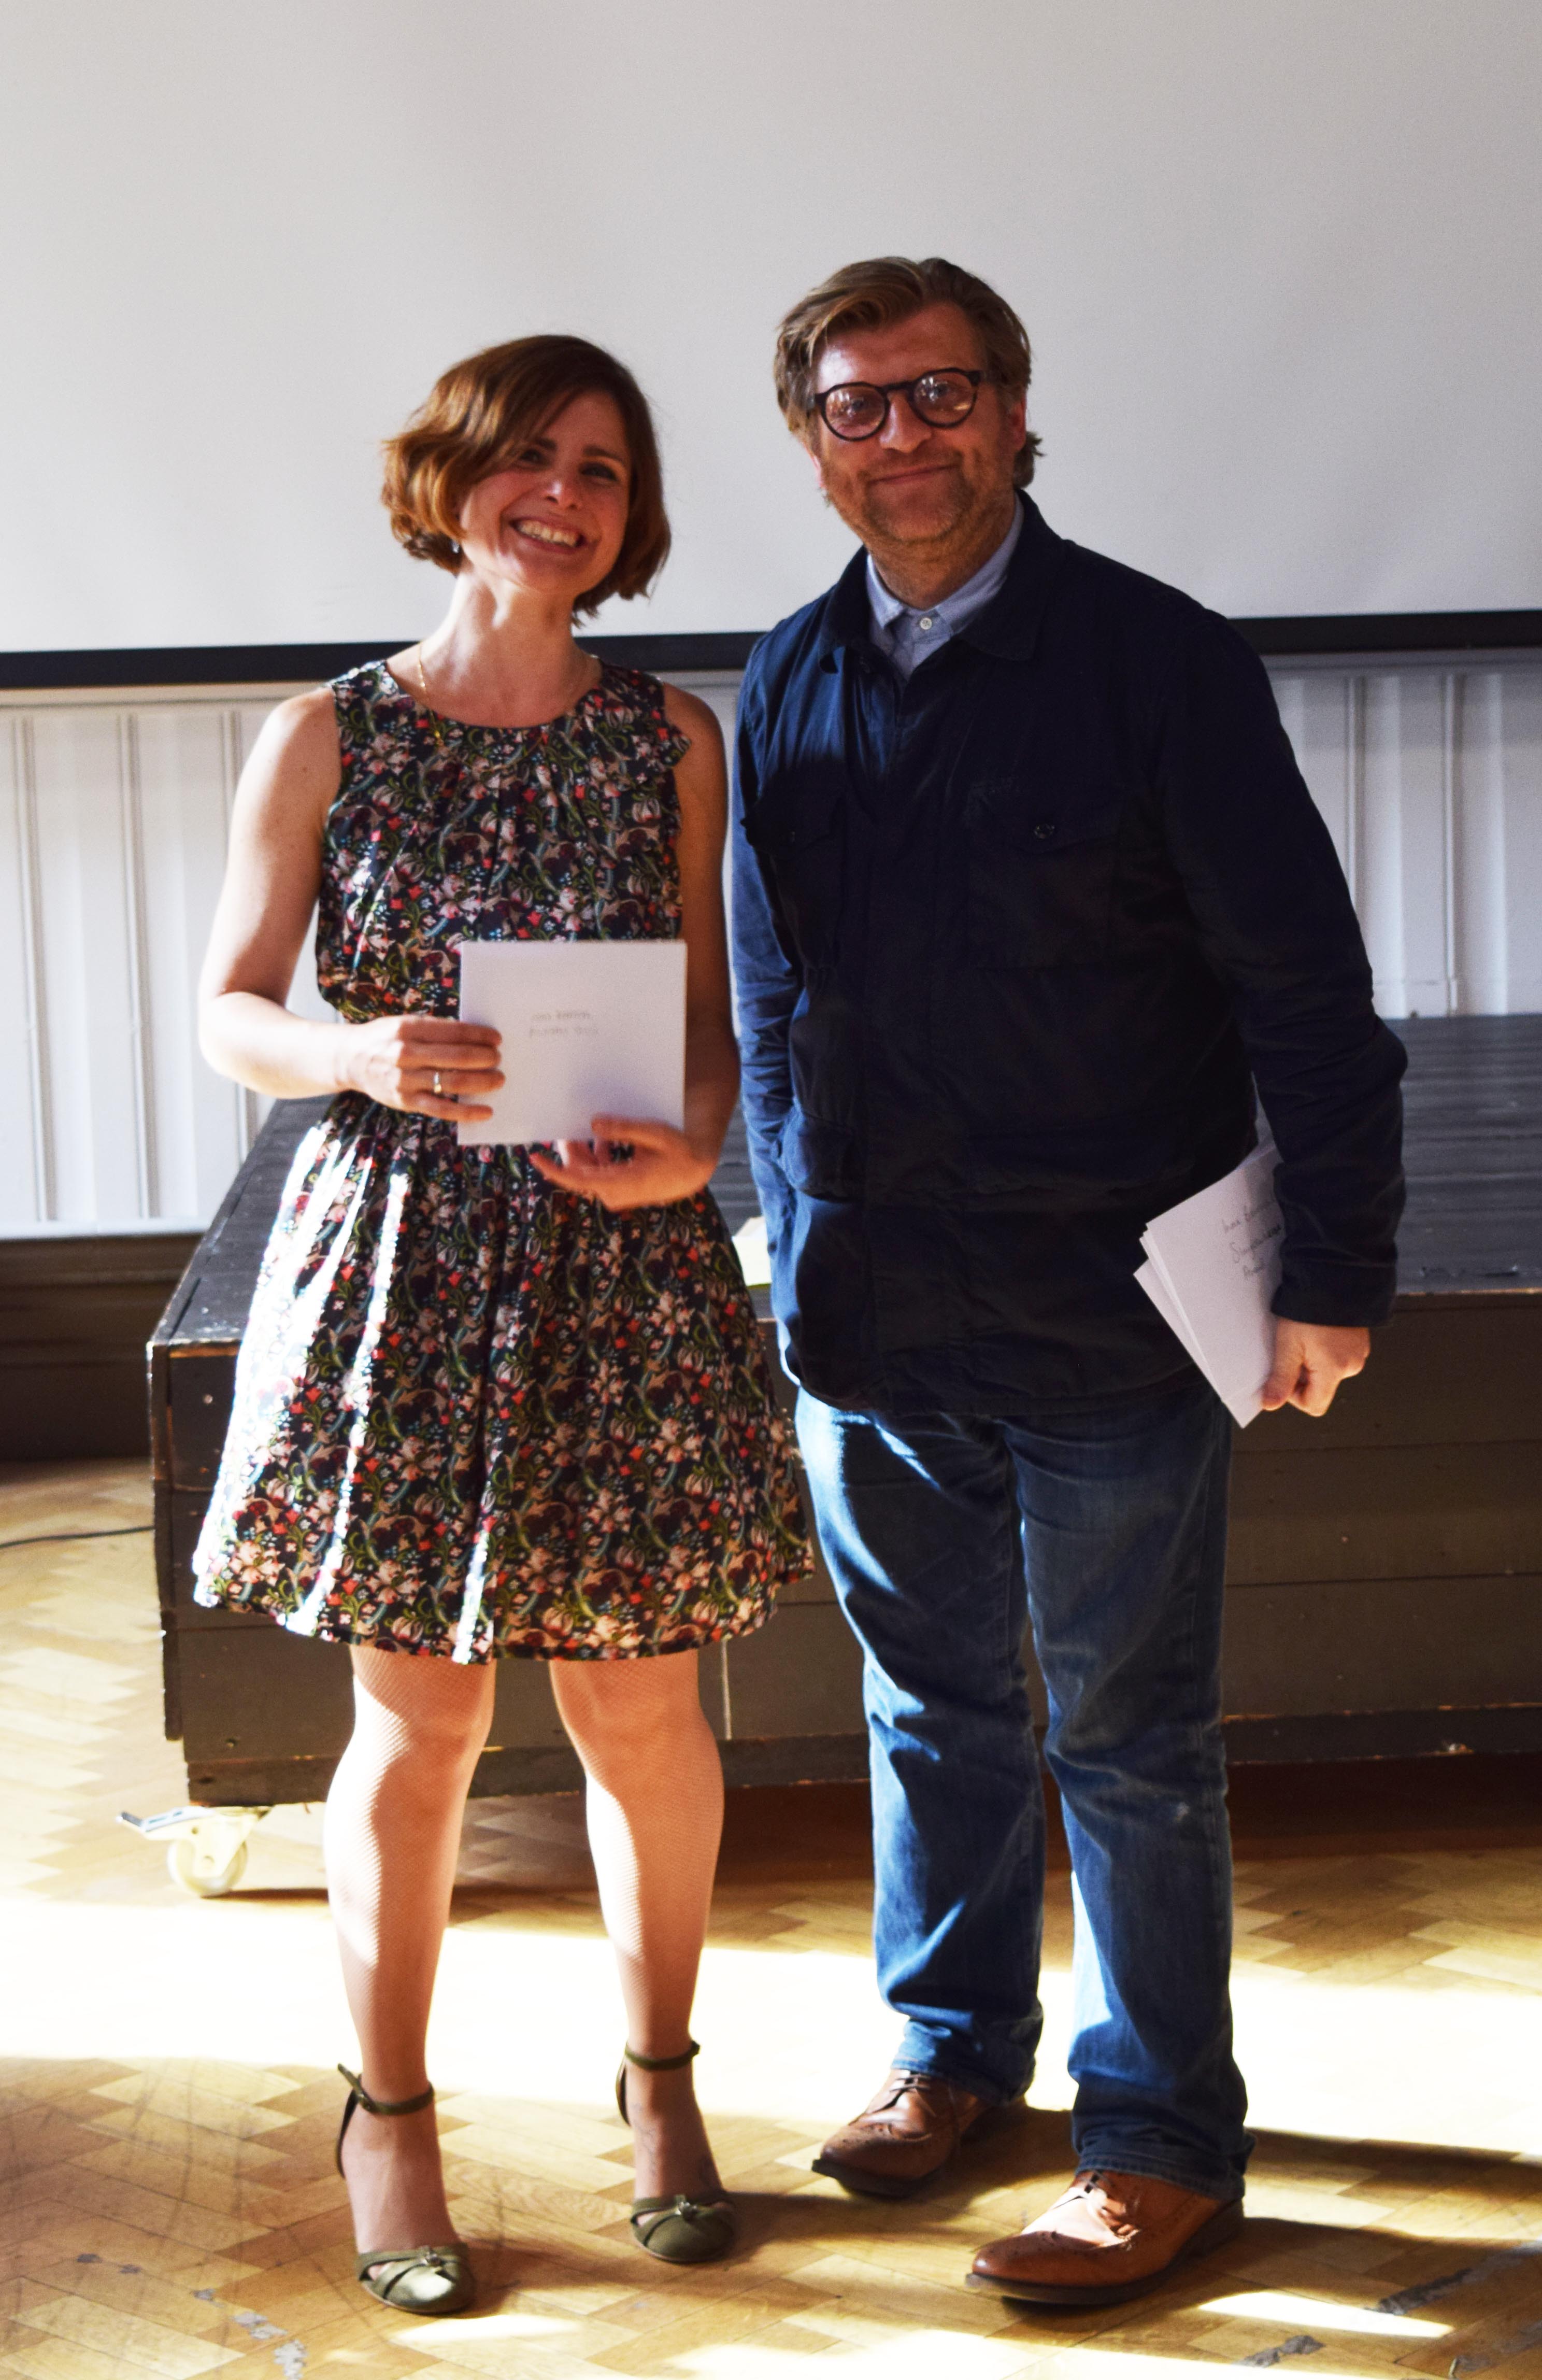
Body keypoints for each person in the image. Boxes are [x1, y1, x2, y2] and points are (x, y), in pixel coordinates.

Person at [731, 256, 1405, 2307]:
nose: (906, 438)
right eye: (860, 406)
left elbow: (1306, 988)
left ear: (1020, 416)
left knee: (1125, 1739)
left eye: (944, 396)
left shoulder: (1159, 663)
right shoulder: (784, 673)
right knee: (927, 1707)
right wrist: (782, 1220)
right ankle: (949, 2055)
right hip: (874, 1307)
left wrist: (1335, 1269)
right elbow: (773, 991)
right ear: (814, 445)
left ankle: (1158, 2137)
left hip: (1115, 1310)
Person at [193, 333, 810, 2315]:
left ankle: (661, 2091)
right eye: (530, 456)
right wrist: (354, 1046)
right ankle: (390, 2117)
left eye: (606, 468)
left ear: (634, 517)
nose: (565, 492)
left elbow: (721, 1030)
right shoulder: (327, 736)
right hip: (401, 1267)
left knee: (641, 1712)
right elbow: (230, 1015)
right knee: (423, 1718)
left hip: (617, 1263)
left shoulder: (676, 741)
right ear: (453, 476)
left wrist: (687, 1152)